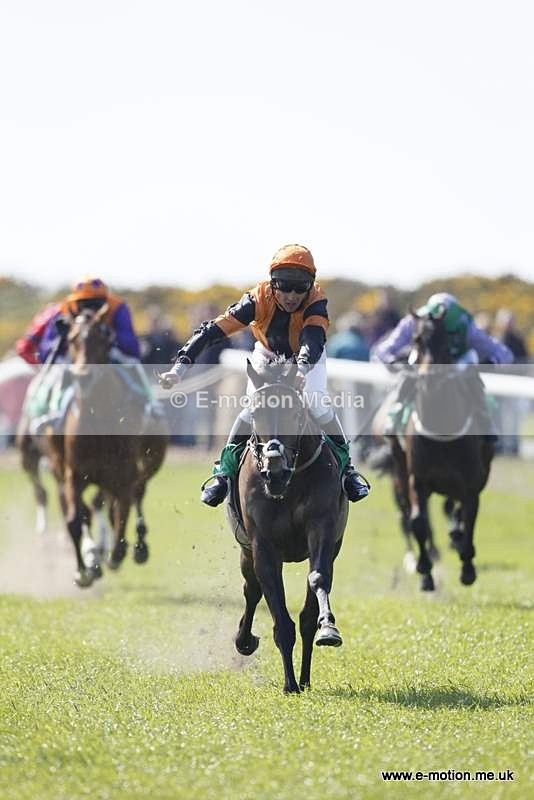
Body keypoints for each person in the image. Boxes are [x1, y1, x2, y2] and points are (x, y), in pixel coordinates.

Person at [159, 243, 370, 506]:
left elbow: (313, 340)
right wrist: (180, 367)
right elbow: (212, 331)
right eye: (284, 286)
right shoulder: (257, 299)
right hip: (267, 355)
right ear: (272, 283)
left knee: (317, 402)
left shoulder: (316, 299)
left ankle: (347, 470)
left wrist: (302, 368)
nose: (292, 295)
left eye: (300, 287)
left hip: (306, 359)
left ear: (311, 285)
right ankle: (223, 473)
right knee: (251, 409)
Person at [22, 277, 154, 432]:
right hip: (73, 357)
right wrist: (64, 337)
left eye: (96, 304)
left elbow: (133, 349)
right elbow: (45, 352)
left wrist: (109, 335)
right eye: (83, 304)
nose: (89, 310)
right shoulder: (62, 311)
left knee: (133, 365)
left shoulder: (118, 308)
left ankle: (151, 406)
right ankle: (46, 412)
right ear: (74, 303)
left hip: (108, 354)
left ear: (105, 302)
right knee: (54, 373)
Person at [373, 292, 514, 437]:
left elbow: (505, 354)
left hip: (456, 362)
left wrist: (491, 362)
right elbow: (382, 350)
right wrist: (393, 362)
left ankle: (485, 422)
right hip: (425, 360)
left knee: (474, 382)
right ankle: (396, 415)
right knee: (409, 375)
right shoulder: (415, 320)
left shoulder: (465, 322)